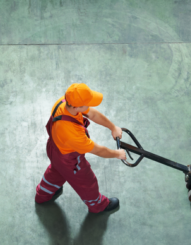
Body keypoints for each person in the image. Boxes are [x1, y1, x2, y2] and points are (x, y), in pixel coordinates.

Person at [35, 83, 126, 214]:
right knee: (87, 182)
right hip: (69, 161)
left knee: (56, 171)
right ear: (77, 106)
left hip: (54, 149)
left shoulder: (64, 102)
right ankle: (98, 205)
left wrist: (113, 127)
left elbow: (93, 114)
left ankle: (42, 195)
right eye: (87, 103)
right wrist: (117, 154)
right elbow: (98, 150)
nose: (89, 106)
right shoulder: (72, 134)